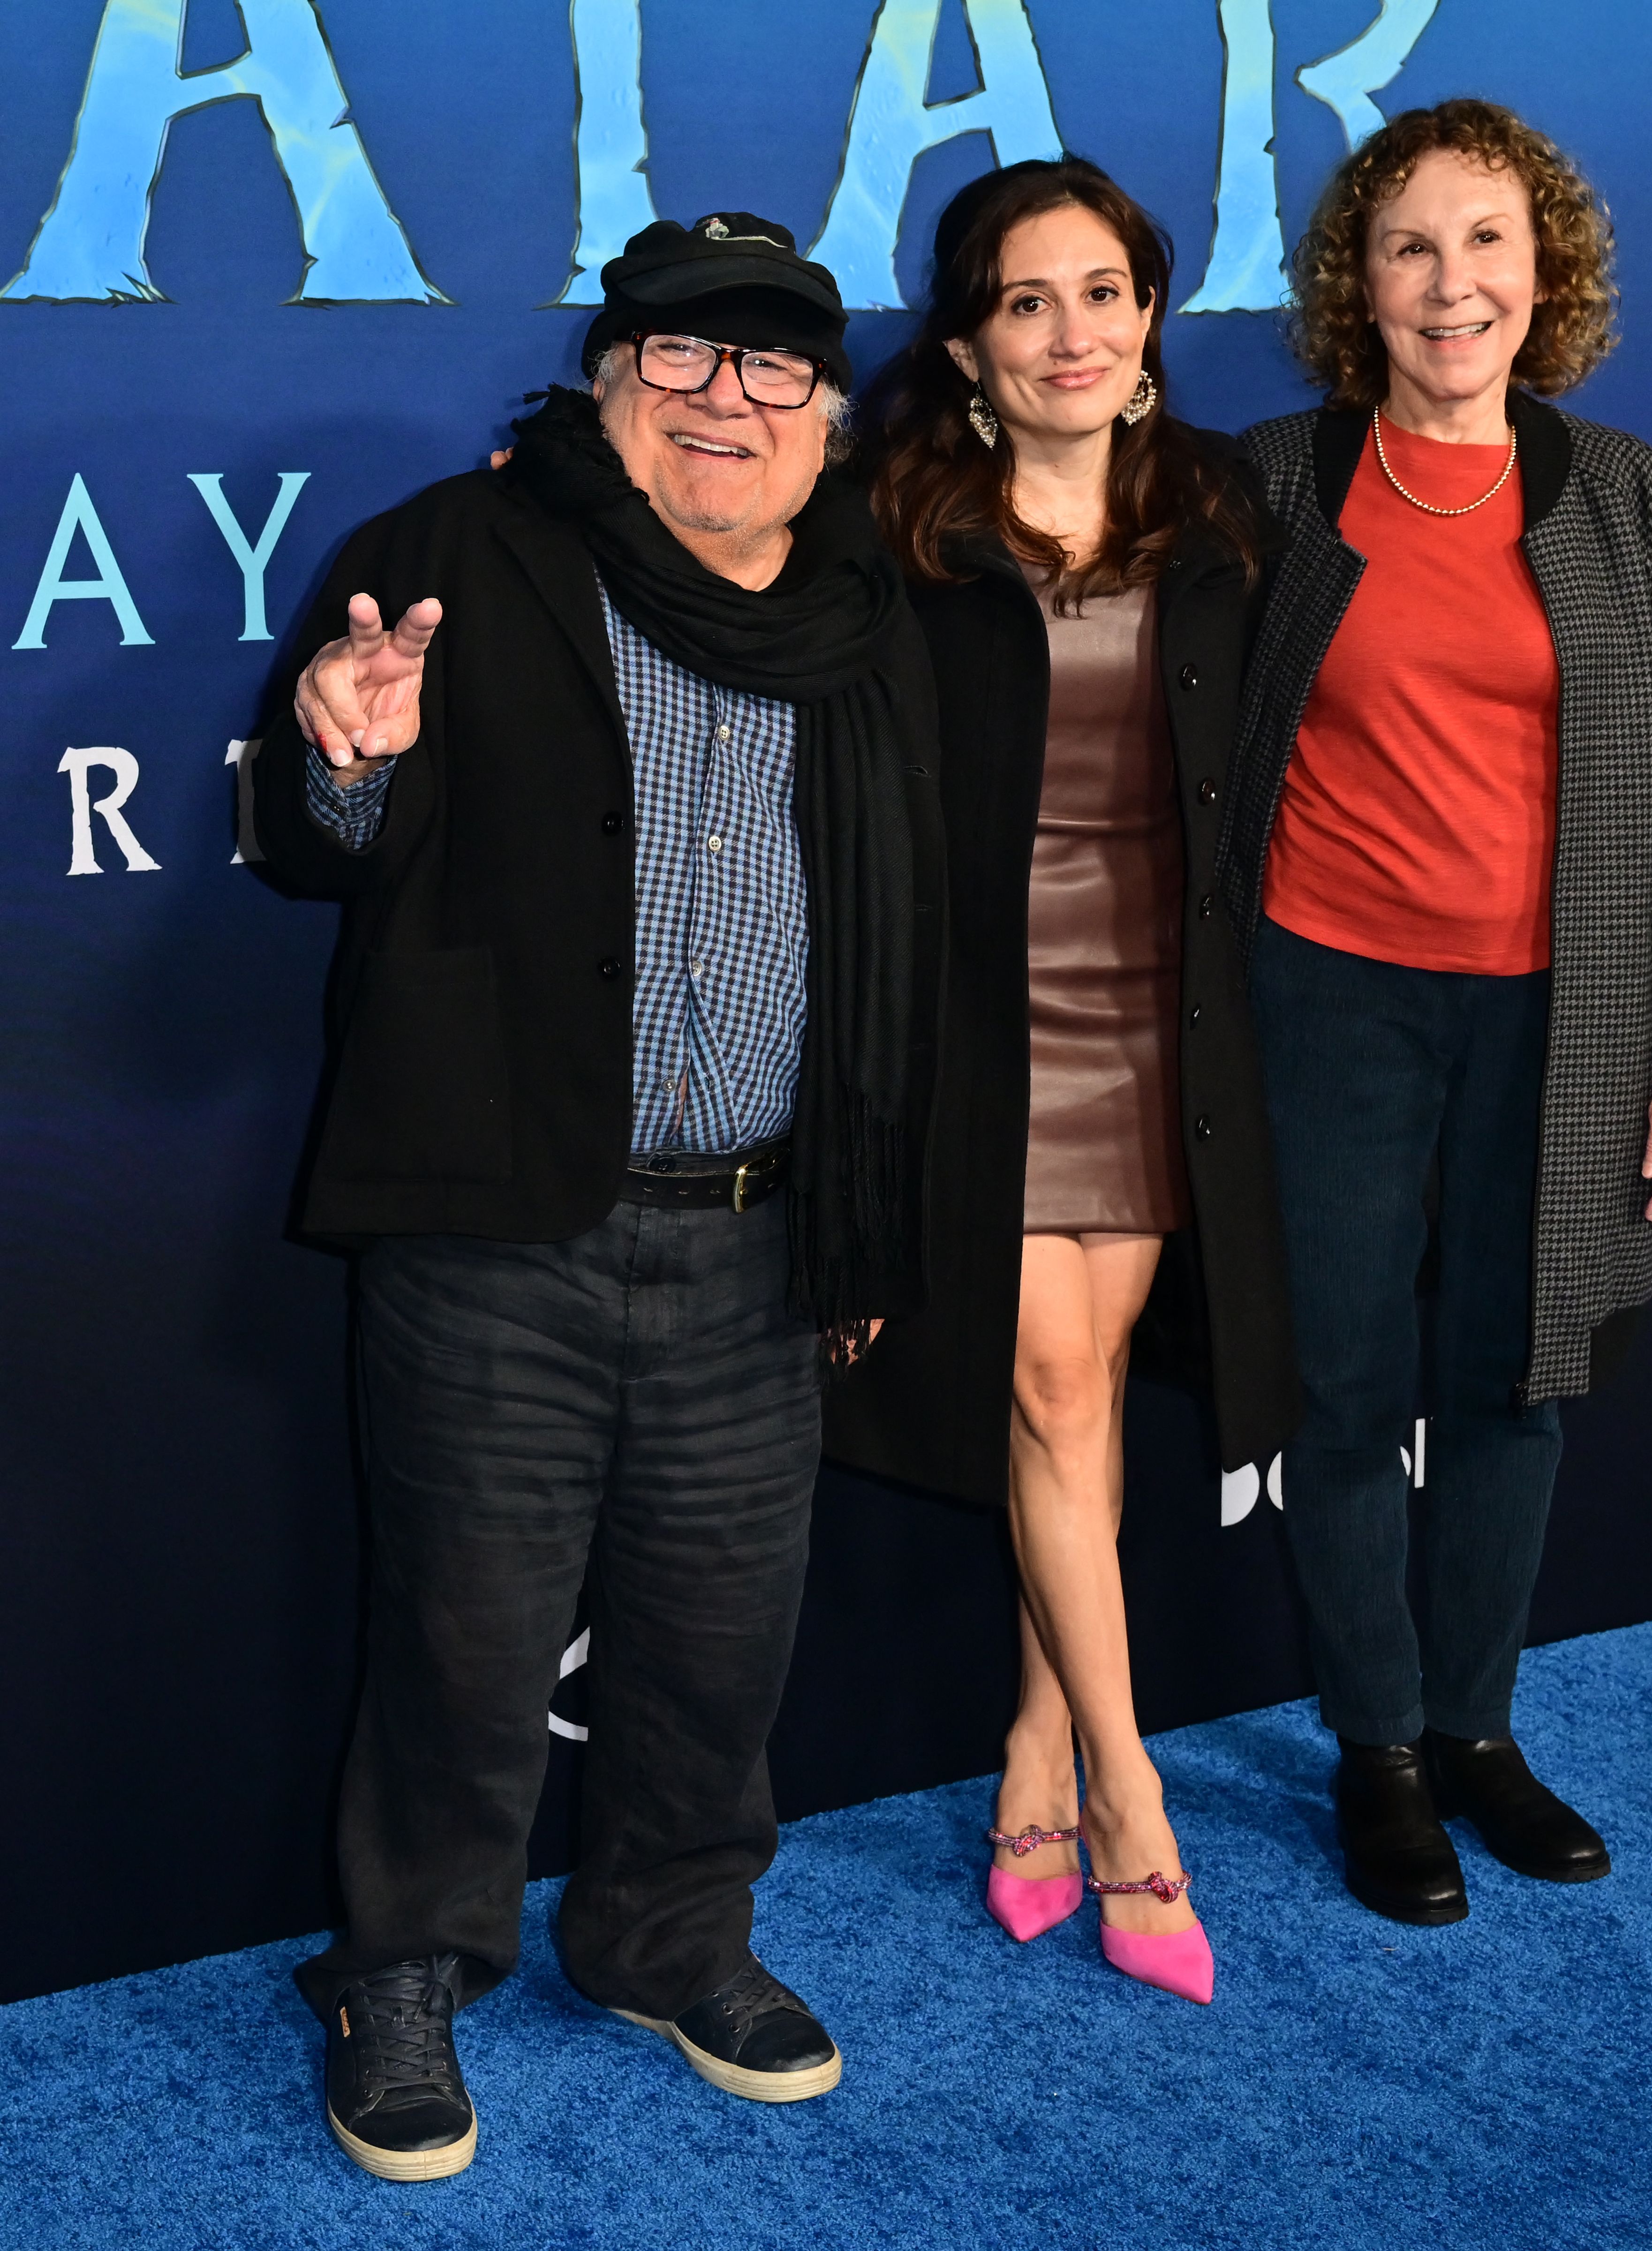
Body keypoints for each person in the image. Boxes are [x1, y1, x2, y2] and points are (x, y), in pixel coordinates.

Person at [251, 212, 943, 2178]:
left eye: (772, 366)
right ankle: (404, 1968)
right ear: (611, 382)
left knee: (721, 1646)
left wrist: (867, 1218)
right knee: (465, 1643)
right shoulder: (452, 556)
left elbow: (909, 949)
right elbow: (323, 845)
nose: (725, 399)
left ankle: (669, 1939)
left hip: (761, 1234)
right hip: (494, 1225)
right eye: (681, 357)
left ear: (823, 419)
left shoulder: (867, 613)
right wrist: (351, 766)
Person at [1225, 101, 1652, 1925]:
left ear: (1547, 278)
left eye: (1485, 245)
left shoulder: (1628, 499)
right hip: (1325, 998)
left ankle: (1475, 1732)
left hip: (1570, 1011)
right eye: (1407, 247)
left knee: (1517, 1382)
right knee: (1349, 1381)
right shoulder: (1270, 491)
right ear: (1352, 286)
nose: (1449, 285)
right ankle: (1374, 1748)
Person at [825, 159, 1297, 2006]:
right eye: (1025, 301)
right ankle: (1130, 1802)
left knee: (1082, 1395)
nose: (1070, 331)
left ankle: (1031, 1765)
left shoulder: (1224, 519)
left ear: (1150, 319)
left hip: (1163, 1027)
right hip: (977, 1036)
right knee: (1040, 1380)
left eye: (1100, 290)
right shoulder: (893, 534)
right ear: (964, 346)